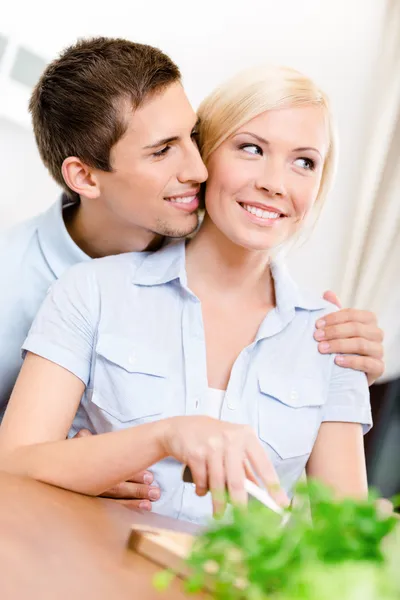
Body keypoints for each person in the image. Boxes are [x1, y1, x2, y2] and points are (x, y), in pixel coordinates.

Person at [0, 38, 383, 511]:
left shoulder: (331, 337)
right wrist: (143, 444)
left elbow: (343, 532)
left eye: (305, 162)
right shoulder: (87, 289)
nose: (275, 182)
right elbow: (15, 462)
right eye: (250, 148)